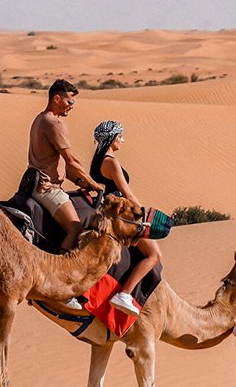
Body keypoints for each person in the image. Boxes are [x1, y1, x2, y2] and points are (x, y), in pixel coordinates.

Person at [90, 119, 163, 316]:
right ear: (112, 138)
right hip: (121, 216)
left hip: (107, 212)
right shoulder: (111, 162)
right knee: (154, 255)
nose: (122, 140)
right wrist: (143, 214)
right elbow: (127, 194)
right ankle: (125, 294)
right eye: (120, 136)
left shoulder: (96, 162)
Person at [26, 79, 105, 251]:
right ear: (56, 99)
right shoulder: (54, 123)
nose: (72, 106)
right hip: (48, 189)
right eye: (69, 101)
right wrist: (94, 184)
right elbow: (71, 160)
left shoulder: (40, 118)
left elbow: (55, 162)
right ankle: (61, 270)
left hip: (36, 184)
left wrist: (79, 182)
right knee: (75, 229)